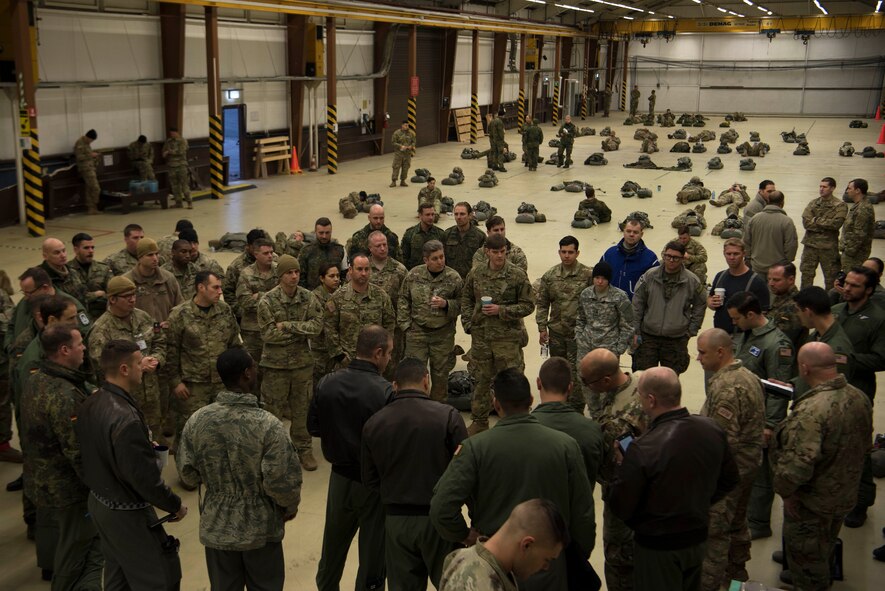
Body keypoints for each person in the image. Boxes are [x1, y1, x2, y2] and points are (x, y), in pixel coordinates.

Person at [431, 368, 596, 591]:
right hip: (549, 565)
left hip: (495, 566)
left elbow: (442, 507)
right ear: (530, 400)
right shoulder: (566, 446)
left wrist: (465, 535)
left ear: (495, 404)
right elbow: (583, 512)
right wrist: (574, 555)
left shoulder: (475, 448)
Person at [177, 347, 302, 591]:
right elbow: (281, 481)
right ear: (246, 374)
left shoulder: (197, 420)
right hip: (261, 530)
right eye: (254, 367)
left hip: (217, 527)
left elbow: (187, 474)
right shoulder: (268, 425)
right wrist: (289, 507)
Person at [608, 367, 739, 591]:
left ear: (651, 400)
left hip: (657, 548)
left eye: (640, 395)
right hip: (697, 537)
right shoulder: (712, 429)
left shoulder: (642, 448)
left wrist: (622, 466)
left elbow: (622, 506)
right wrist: (699, 502)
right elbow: (730, 478)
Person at [76, 340, 187, 590]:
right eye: (139, 363)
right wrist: (174, 505)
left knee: (119, 574)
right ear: (125, 369)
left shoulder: (92, 401)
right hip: (125, 510)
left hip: (99, 500)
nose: (143, 367)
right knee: (159, 577)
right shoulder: (125, 419)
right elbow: (144, 479)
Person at [771, 342, 872, 590]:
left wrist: (788, 493)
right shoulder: (859, 397)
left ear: (804, 368)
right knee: (825, 543)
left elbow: (797, 466)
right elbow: (865, 445)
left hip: (811, 503)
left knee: (808, 563)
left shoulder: (810, 411)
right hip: (843, 493)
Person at [362, 358, 468, 590]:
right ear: (426, 381)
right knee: (452, 584)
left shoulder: (374, 423)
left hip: (396, 521)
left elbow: (370, 479)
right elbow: (466, 474)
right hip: (439, 521)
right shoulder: (448, 416)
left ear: (394, 385)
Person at [308, 325, 394, 591]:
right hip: (373, 485)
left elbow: (314, 428)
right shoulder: (385, 392)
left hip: (339, 480)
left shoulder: (327, 382)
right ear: (378, 353)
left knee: (332, 547)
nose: (390, 358)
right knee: (373, 555)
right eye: (389, 353)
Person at [21, 323, 102, 590]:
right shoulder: (65, 395)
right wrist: (100, 488)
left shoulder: (36, 379)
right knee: (74, 549)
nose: (84, 348)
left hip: (41, 482)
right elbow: (77, 450)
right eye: (80, 344)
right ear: (65, 350)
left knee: (60, 540)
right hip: (67, 490)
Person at [695, 329, 765, 591]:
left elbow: (722, 442)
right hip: (746, 468)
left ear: (720, 352)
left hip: (726, 476)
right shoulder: (748, 376)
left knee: (715, 536)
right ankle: (737, 582)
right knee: (737, 527)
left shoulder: (726, 387)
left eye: (702, 352)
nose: (698, 358)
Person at [726, 291, 794, 540]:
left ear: (751, 314)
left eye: (736, 318)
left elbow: (780, 389)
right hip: (742, 414)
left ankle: (759, 522)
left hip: (761, 417)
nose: (734, 323)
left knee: (761, 471)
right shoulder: (747, 334)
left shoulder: (777, 344)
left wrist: (770, 425)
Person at [578, 348, 647, 591]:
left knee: (619, 557)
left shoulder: (620, 421)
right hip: (648, 489)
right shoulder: (640, 381)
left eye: (586, 381)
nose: (583, 385)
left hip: (623, 496)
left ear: (605, 380)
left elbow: (611, 467)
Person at [460, 234, 535, 435]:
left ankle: (517, 421)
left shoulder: (517, 275)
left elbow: (528, 305)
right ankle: (480, 421)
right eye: (495, 252)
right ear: (487, 252)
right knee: (480, 380)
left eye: (503, 252)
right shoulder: (476, 273)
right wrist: (467, 322)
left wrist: (501, 310)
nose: (500, 256)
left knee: (512, 380)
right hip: (481, 338)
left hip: (507, 340)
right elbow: (466, 299)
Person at [257, 255, 323, 471]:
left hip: (302, 366)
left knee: (302, 410)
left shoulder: (308, 298)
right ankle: (273, 453)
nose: (294, 276)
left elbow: (316, 327)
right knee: (273, 412)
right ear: (280, 276)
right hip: (276, 367)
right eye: (289, 273)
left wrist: (287, 326)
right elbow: (268, 335)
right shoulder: (267, 301)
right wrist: (299, 331)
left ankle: (303, 449)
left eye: (296, 272)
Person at [832, 265, 885, 527]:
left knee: (858, 450)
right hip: (830, 391)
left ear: (869, 290)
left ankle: (861, 503)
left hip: (858, 392)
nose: (847, 288)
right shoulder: (837, 311)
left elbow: (881, 358)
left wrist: (847, 360)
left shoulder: (878, 318)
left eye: (854, 285)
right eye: (846, 283)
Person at [166, 271, 241, 455]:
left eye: (221, 287)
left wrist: (235, 379)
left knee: (221, 427)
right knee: (189, 429)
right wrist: (175, 382)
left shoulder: (224, 310)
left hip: (221, 383)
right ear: (201, 287)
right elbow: (170, 351)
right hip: (192, 386)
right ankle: (187, 470)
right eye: (216, 287)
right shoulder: (179, 315)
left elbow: (234, 345)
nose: (220, 292)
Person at [88, 276, 166, 445]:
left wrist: (156, 360)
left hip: (151, 396)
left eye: (134, 294)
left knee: (155, 440)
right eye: (126, 296)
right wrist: (139, 366)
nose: (132, 299)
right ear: (112, 299)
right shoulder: (101, 330)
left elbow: (160, 341)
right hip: (124, 401)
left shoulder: (143, 317)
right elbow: (103, 367)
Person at [438, 499, 570, 591]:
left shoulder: (485, 568)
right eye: (546, 560)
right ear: (527, 545)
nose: (546, 567)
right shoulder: (476, 581)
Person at [397, 240, 463, 402]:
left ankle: (438, 410)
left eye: (442, 257)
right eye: (435, 258)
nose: (440, 261)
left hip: (443, 334)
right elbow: (403, 299)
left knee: (440, 376)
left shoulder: (453, 278)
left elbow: (464, 303)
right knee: (414, 375)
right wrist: (406, 326)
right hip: (417, 333)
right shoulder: (413, 275)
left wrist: (447, 304)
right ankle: (415, 407)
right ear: (426, 260)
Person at [632, 240, 706, 375]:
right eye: (668, 256)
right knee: (643, 379)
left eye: (676, 258)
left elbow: (700, 303)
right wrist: (636, 330)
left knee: (670, 382)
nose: (671, 260)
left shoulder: (691, 281)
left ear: (683, 258)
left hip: (676, 339)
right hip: (649, 337)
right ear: (664, 256)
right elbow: (638, 302)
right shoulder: (650, 276)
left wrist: (691, 330)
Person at [535, 236, 593, 411]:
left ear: (577, 253)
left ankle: (576, 410)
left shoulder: (587, 275)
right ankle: (558, 406)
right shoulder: (550, 276)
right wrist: (541, 327)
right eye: (563, 252)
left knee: (578, 372)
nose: (567, 256)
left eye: (571, 252)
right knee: (558, 371)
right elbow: (543, 303)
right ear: (559, 252)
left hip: (579, 334)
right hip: (557, 332)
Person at [532, 357, 605, 491]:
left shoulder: (522, 429)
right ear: (570, 387)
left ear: (538, 383)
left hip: (535, 510)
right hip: (579, 509)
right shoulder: (592, 430)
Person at [324, 253, 395, 369]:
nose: (364, 273)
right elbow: (330, 329)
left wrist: (383, 353)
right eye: (359, 269)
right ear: (350, 270)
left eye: (367, 269)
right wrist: (340, 356)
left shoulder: (381, 296)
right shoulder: (337, 298)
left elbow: (390, 325)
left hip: (374, 361)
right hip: (347, 362)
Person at [707, 238, 769, 336]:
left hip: (744, 338)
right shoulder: (720, 276)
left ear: (744, 254)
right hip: (720, 334)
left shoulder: (756, 282)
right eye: (728, 254)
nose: (732, 257)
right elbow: (710, 298)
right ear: (724, 254)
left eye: (736, 254)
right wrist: (712, 303)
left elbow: (763, 316)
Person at [575, 261, 633, 364]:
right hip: (586, 346)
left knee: (607, 378)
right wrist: (579, 338)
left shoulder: (620, 297)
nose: (600, 281)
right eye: (597, 278)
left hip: (609, 347)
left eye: (604, 278)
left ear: (609, 280)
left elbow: (627, 326)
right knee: (583, 376)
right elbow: (580, 318)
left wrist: (619, 349)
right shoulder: (585, 294)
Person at [793, 286, 854, 383]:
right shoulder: (818, 335)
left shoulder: (837, 349)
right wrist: (791, 385)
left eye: (798, 311)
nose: (797, 315)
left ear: (808, 312)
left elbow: (833, 389)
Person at [799, 177, 848, 289]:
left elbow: (836, 224)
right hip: (810, 247)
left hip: (828, 248)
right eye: (820, 186)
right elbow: (806, 223)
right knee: (806, 276)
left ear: (832, 188)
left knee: (831, 279)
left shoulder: (840, 205)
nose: (821, 189)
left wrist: (816, 220)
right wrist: (825, 225)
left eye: (824, 187)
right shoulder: (813, 203)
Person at [236, 238, 278, 365]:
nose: (270, 256)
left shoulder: (279, 270)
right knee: (253, 367)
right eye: (266, 253)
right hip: (252, 330)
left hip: (274, 326)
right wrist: (272, 298)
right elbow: (245, 302)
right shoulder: (246, 274)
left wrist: (258, 295)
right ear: (256, 254)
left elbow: (285, 297)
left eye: (271, 252)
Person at [123, 238, 182, 324]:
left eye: (157, 254)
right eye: (150, 255)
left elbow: (180, 307)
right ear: (139, 257)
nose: (155, 258)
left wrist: (171, 322)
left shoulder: (168, 278)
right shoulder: (127, 282)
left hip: (165, 333)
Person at [597, 219, 659, 300]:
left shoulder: (650, 259)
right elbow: (598, 278)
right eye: (628, 231)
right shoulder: (609, 254)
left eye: (635, 232)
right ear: (623, 231)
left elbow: (655, 288)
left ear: (641, 234)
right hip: (608, 304)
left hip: (634, 306)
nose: (631, 234)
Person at [743, 190, 798, 276]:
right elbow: (791, 245)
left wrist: (749, 258)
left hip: (757, 267)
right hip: (778, 270)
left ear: (768, 201)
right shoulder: (787, 222)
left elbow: (746, 241)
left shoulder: (754, 219)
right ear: (782, 202)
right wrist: (786, 263)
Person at [223, 228, 271, 320]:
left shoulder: (273, 260)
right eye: (255, 247)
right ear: (248, 246)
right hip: (249, 319)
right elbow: (228, 293)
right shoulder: (236, 266)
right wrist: (242, 313)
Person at [68, 232, 113, 319]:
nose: (91, 251)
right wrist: (97, 294)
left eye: (92, 247)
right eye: (86, 248)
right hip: (78, 318)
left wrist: (88, 296)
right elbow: (73, 299)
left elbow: (112, 294)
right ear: (76, 250)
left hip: (102, 317)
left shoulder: (104, 268)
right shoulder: (67, 271)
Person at [310, 263, 340, 385]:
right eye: (331, 276)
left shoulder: (342, 294)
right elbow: (319, 323)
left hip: (338, 349)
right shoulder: (314, 297)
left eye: (338, 276)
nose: (336, 279)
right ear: (322, 278)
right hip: (321, 350)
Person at [298, 218, 346, 291]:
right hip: (312, 296)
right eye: (321, 233)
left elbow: (345, 274)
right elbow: (301, 276)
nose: (324, 236)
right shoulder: (306, 251)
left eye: (327, 233)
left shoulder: (340, 250)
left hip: (335, 297)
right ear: (315, 232)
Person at [767, 263, 807, 348]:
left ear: (791, 280)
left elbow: (781, 339)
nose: (771, 283)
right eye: (769, 279)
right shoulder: (780, 297)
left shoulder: (795, 305)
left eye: (776, 280)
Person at [444, 202, 487, 279]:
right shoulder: (447, 234)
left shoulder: (480, 236)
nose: (458, 217)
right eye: (456, 214)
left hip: (471, 280)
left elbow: (485, 262)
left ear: (470, 215)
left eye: (462, 214)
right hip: (451, 280)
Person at [840, 178, 875, 272]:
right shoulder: (858, 205)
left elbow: (859, 234)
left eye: (849, 188)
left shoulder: (863, 209)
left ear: (857, 190)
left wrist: (848, 252)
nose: (847, 191)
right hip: (852, 253)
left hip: (855, 256)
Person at [402, 203, 446, 270]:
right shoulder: (410, 234)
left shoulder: (440, 234)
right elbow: (404, 257)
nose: (431, 217)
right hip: (416, 275)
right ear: (420, 215)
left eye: (432, 214)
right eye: (427, 215)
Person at [162, 127, 191, 209]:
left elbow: (181, 151)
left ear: (177, 132)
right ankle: (178, 203)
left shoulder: (182, 141)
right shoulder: (168, 141)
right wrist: (164, 153)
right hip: (171, 166)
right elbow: (164, 150)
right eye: (171, 134)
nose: (172, 135)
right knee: (174, 186)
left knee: (184, 185)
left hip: (181, 165)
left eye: (173, 133)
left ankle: (189, 202)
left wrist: (169, 152)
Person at [73, 129, 100, 215]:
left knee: (89, 188)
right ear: (88, 137)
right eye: (91, 140)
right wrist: (91, 155)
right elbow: (79, 157)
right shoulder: (80, 143)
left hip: (90, 168)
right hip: (85, 169)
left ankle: (92, 208)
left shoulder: (86, 143)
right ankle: (94, 204)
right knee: (96, 188)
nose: (91, 142)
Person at [390, 120, 416, 187]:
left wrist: (411, 146)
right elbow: (393, 142)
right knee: (396, 167)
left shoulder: (410, 134)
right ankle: (394, 181)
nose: (407, 127)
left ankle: (403, 181)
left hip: (407, 154)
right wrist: (400, 146)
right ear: (402, 125)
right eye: (405, 125)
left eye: (407, 125)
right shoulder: (397, 133)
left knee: (406, 167)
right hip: (399, 153)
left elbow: (414, 141)